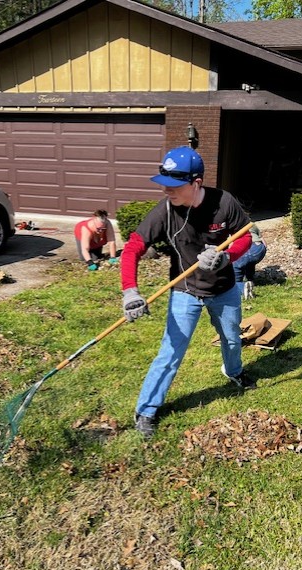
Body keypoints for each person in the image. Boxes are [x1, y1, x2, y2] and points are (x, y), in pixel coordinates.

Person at [120, 145, 256, 439]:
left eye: (174, 186)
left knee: (232, 339)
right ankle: (146, 409)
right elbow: (132, 248)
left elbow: (245, 237)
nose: (167, 191)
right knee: (171, 352)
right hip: (185, 291)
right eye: (164, 184)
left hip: (224, 289)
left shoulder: (224, 203)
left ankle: (234, 372)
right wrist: (130, 291)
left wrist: (227, 257)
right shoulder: (165, 212)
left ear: (196, 183)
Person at [232, 221, 267, 299]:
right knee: (249, 262)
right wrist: (264, 250)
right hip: (260, 248)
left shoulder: (234, 224)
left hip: (249, 246)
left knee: (235, 264)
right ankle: (250, 280)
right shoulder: (251, 223)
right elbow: (262, 238)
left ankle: (241, 286)